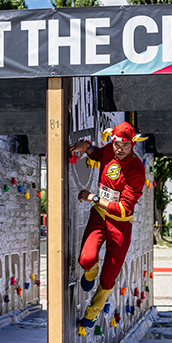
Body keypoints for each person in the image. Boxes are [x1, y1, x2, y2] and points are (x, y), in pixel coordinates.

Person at [69, 122, 146, 328]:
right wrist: (86, 146)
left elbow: (123, 209)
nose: (120, 149)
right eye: (117, 144)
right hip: (99, 216)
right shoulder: (109, 151)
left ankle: (92, 313)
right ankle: (89, 271)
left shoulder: (137, 169)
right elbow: (97, 154)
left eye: (125, 145)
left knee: (109, 276)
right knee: (86, 259)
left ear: (133, 144)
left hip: (120, 225)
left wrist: (93, 198)